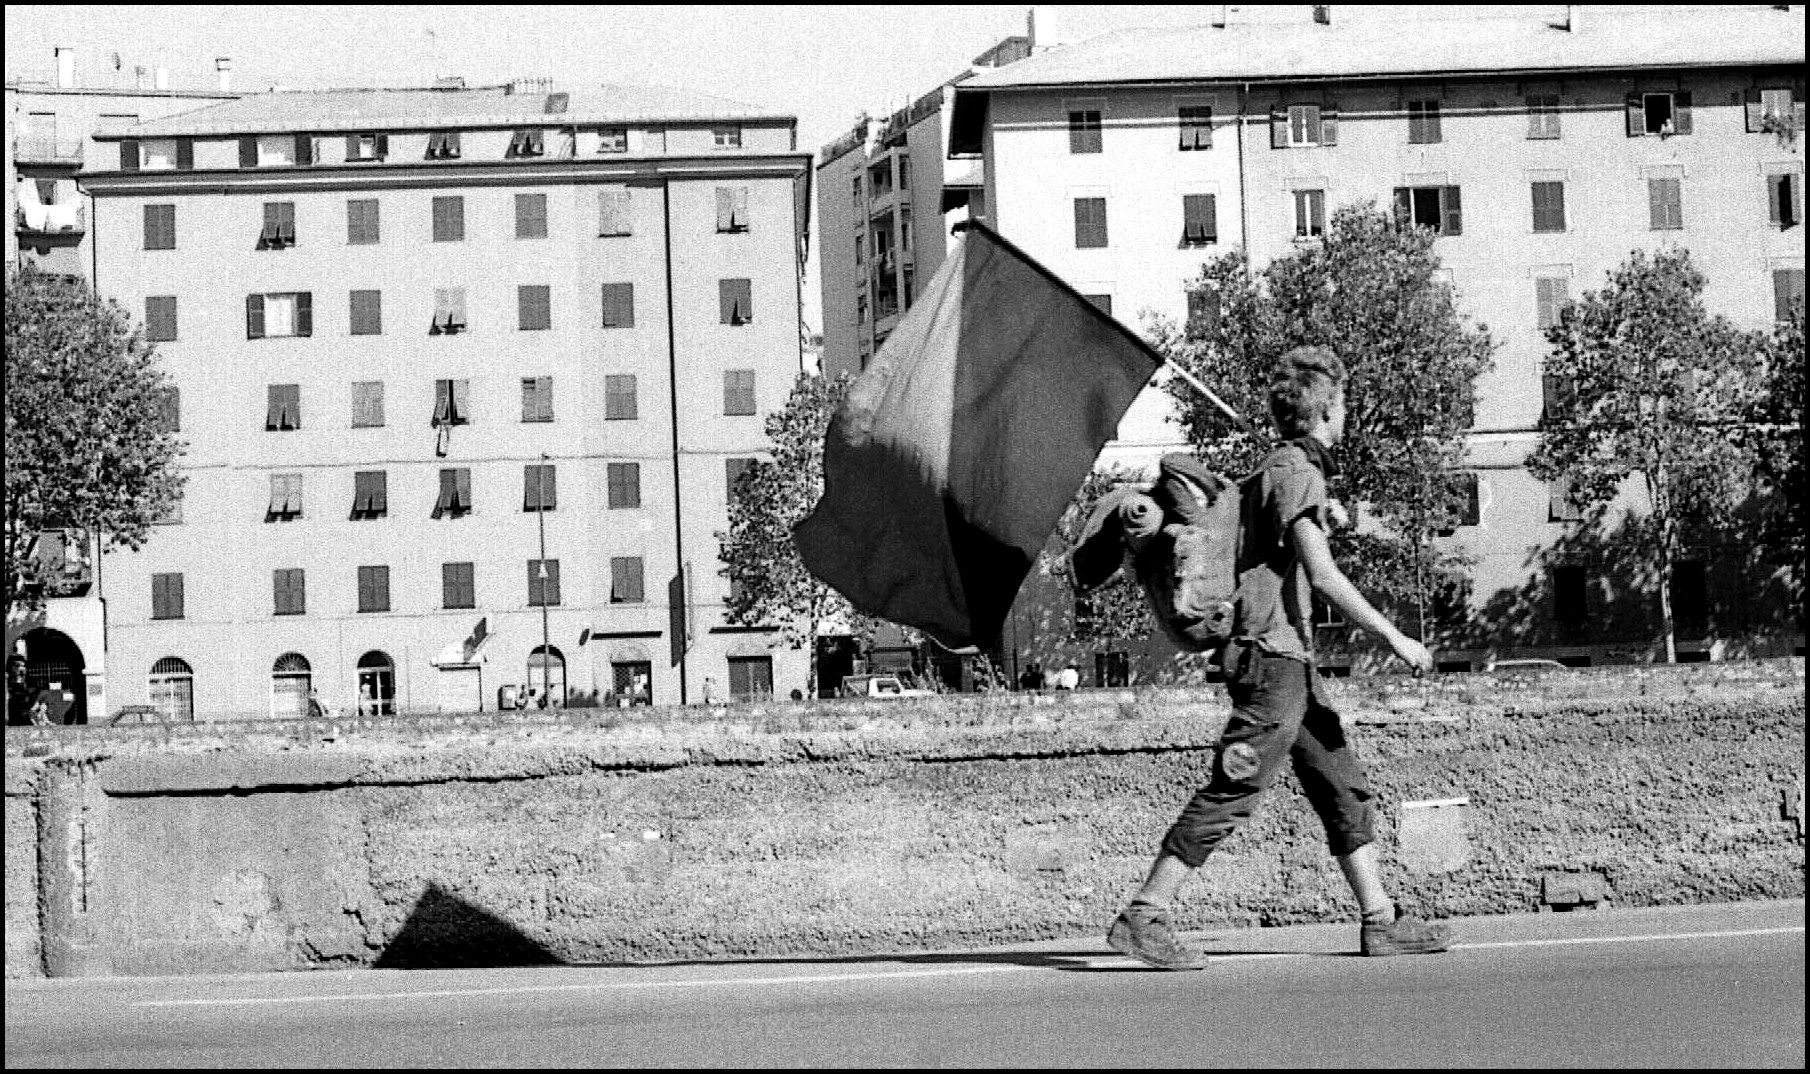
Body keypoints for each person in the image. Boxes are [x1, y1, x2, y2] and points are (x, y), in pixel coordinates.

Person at [1106, 345, 1448, 970]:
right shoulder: (1295, 472)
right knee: (1236, 786)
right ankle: (1144, 914)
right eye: (1342, 408)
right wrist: (1394, 637)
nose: (1346, 418)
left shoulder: (1283, 469)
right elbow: (1322, 575)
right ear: (1323, 415)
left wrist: (1324, 513)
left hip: (1291, 658)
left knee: (1341, 784)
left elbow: (1284, 536)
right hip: (1270, 658)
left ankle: (1381, 920)